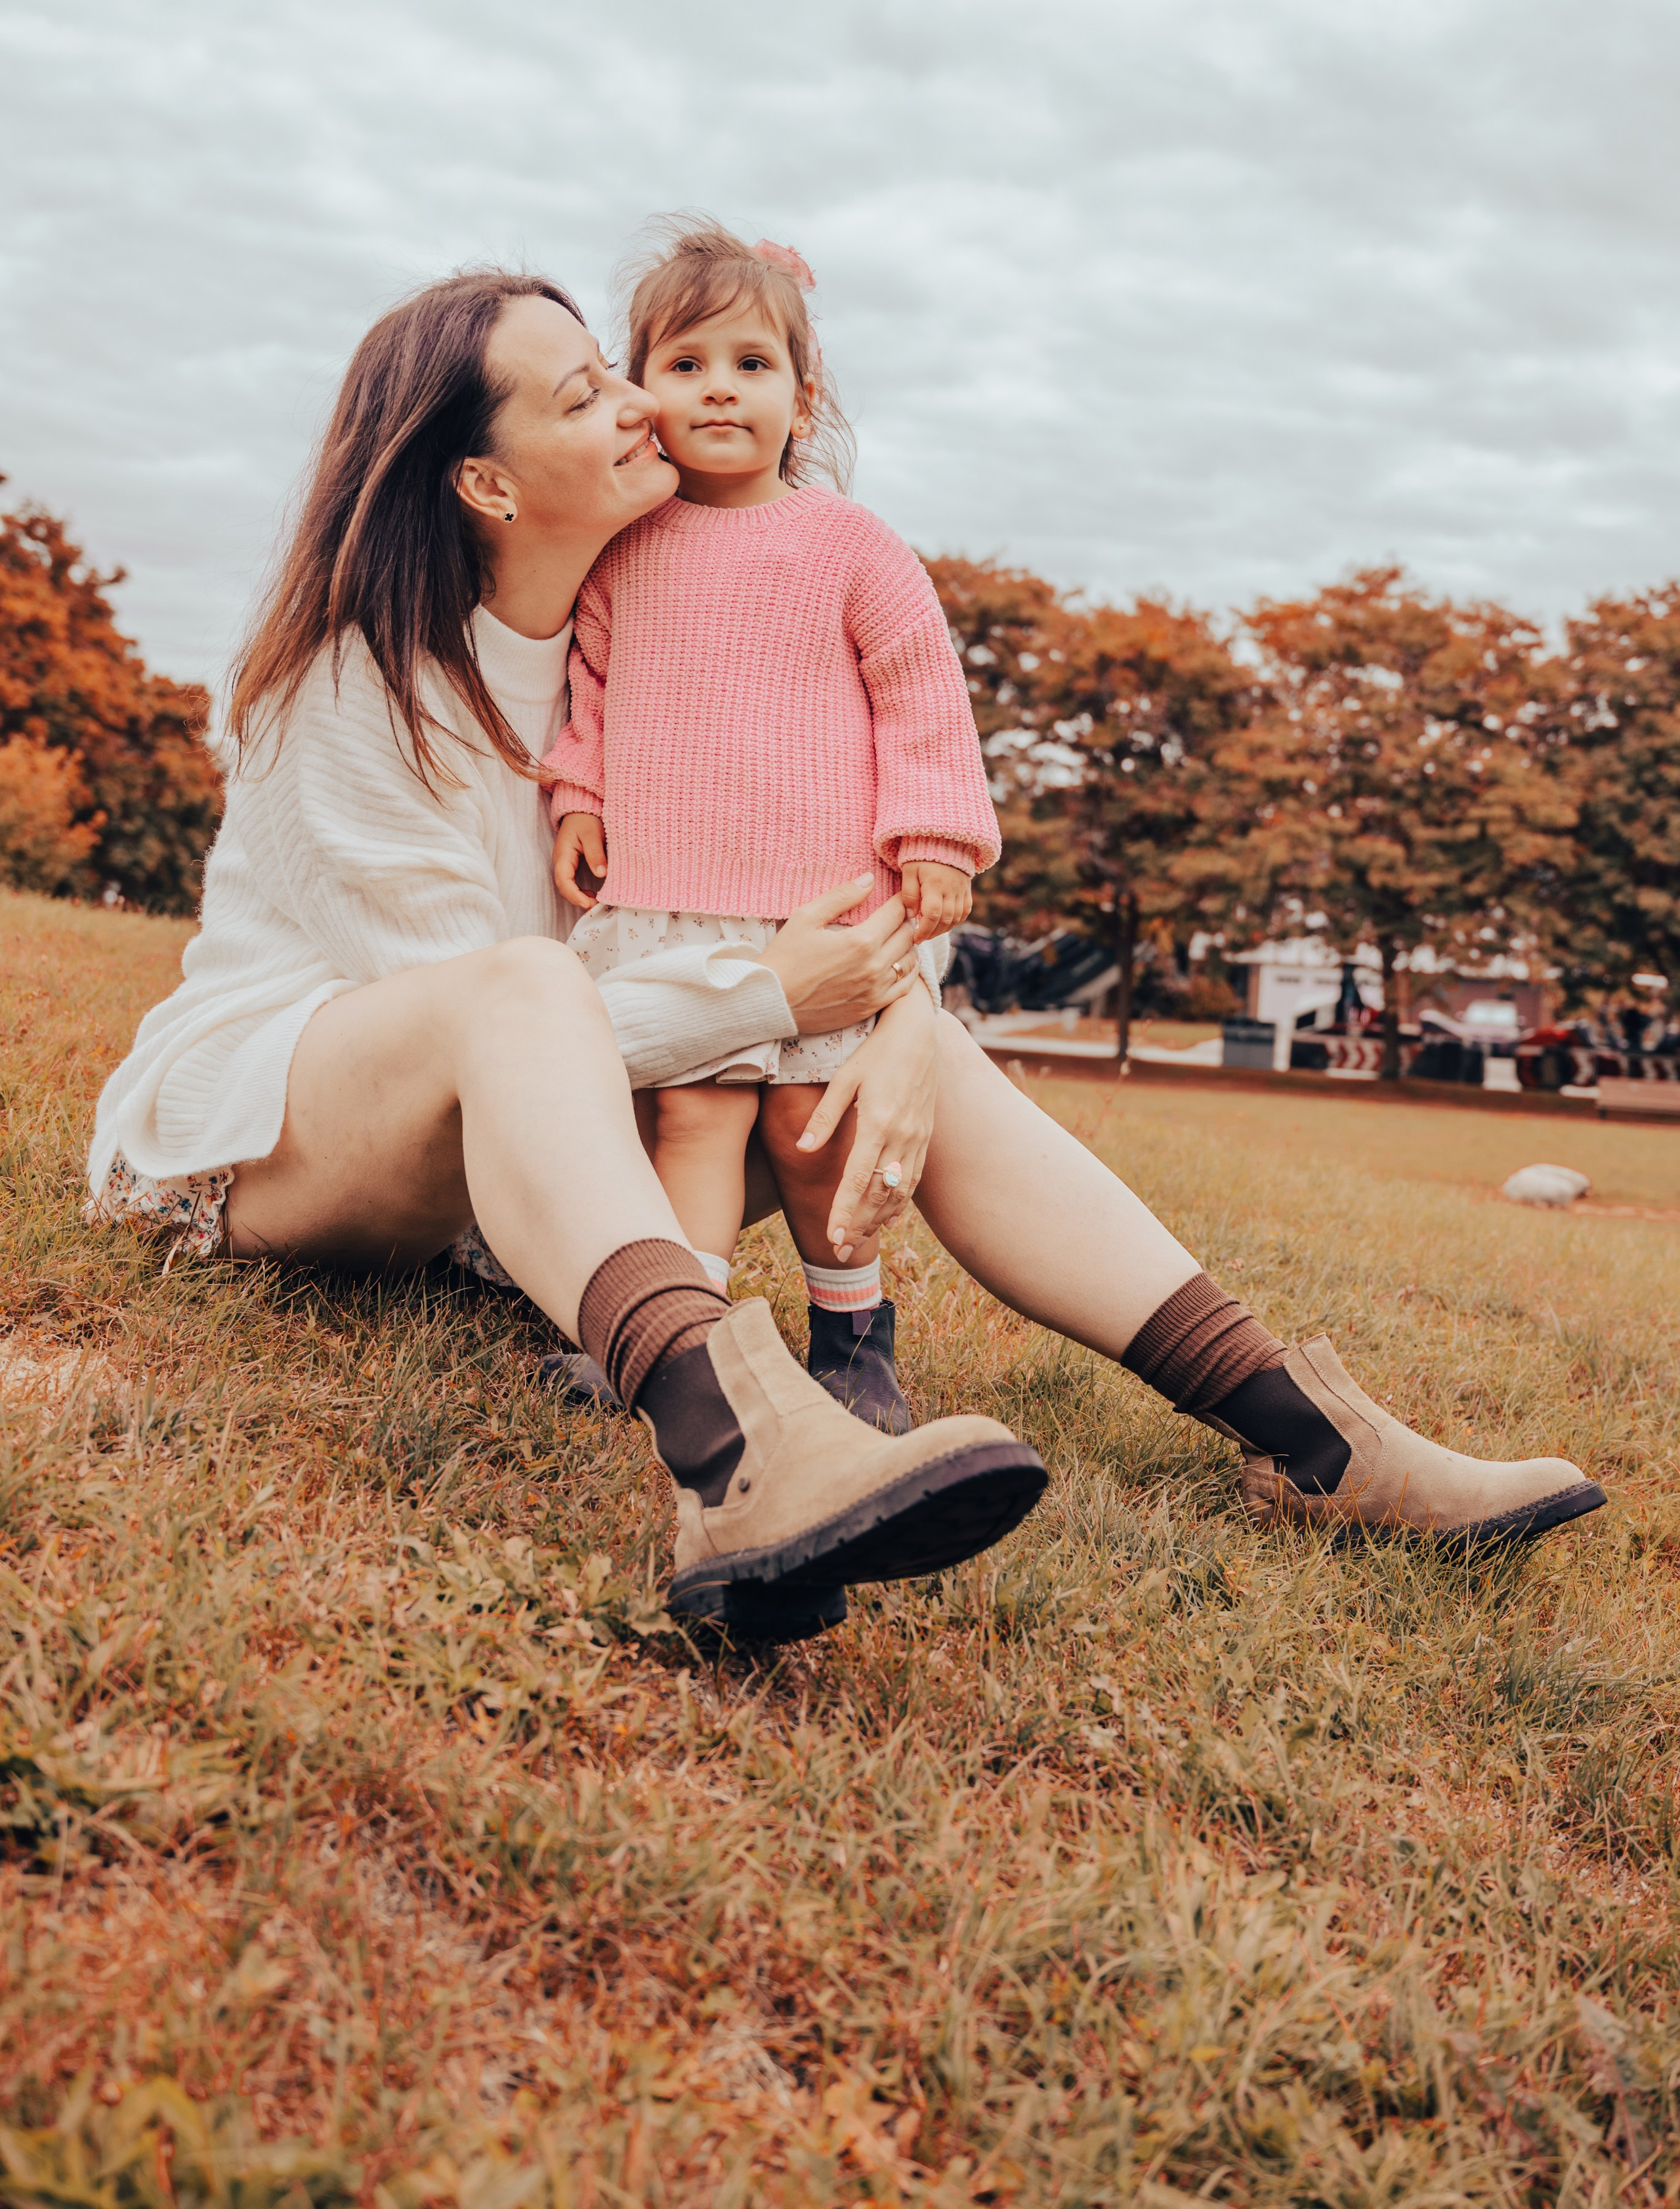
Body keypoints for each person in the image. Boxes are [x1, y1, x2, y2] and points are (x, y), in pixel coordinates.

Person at [85, 267, 1606, 1650]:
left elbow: (813, 865)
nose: (638, 403)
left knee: (909, 1046)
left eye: (617, 372)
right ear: (484, 478)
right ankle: (739, 1454)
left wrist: (890, 1011)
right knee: (524, 984)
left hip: (519, 1178)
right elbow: (511, 1036)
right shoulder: (355, 683)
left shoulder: (633, 643)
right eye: (582, 396)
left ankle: (1313, 1435)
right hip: (283, 1140)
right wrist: (771, 997)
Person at [546, 223, 999, 1435]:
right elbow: (589, 683)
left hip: (820, 902)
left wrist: (938, 842)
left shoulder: (848, 542)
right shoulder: (623, 541)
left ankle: (854, 1338)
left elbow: (919, 691)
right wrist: (577, 794)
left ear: (803, 398)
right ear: (641, 388)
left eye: (751, 365)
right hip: (668, 896)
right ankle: (670, 1337)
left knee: (811, 1131)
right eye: (686, 364)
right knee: (689, 1121)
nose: (719, 390)